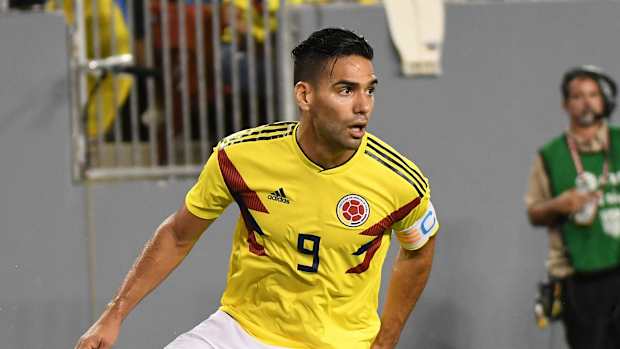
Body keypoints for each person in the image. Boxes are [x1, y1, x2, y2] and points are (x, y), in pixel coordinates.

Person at [75, 27, 439, 349]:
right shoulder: (240, 157)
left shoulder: (401, 182)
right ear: (305, 96)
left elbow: (419, 250)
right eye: (346, 90)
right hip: (241, 331)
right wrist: (114, 313)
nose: (363, 106)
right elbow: (178, 235)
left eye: (369, 91)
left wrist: (385, 341)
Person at [526, 65, 620, 349]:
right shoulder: (551, 155)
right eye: (578, 96)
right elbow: (535, 210)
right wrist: (560, 204)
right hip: (579, 277)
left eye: (593, 94)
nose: (587, 101)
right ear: (566, 104)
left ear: (605, 100)